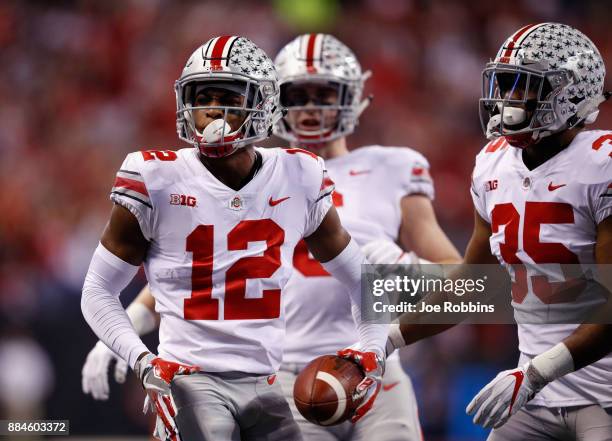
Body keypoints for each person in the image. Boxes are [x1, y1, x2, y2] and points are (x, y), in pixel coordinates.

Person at [80, 35, 387, 441]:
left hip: (266, 381)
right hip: (189, 378)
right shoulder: (154, 178)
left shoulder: (303, 175)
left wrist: (373, 350)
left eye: (226, 96)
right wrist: (142, 360)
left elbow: (364, 280)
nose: (209, 109)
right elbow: (98, 290)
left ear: (262, 103)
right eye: (201, 96)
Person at [368, 23, 612, 441]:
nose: (508, 100)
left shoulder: (602, 165)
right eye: (505, 84)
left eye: (524, 87)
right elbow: (476, 288)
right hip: (532, 396)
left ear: (571, 93)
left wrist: (534, 374)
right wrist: (385, 342)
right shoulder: (493, 165)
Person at [273, 33, 461, 440]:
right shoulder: (258, 173)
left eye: (324, 94)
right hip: (285, 372)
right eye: (298, 94)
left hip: (374, 364)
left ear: (352, 96)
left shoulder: (392, 166)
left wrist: (395, 274)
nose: (309, 107)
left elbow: (460, 279)